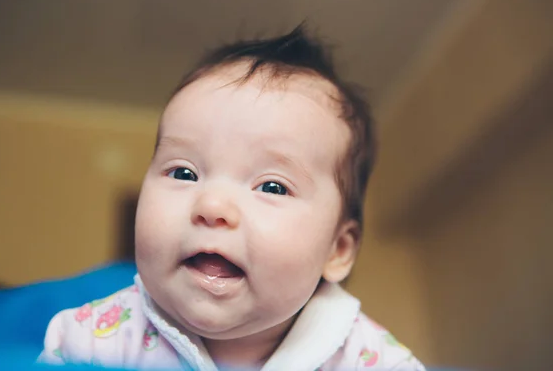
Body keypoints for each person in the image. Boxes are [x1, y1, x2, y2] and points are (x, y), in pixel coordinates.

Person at [39, 25, 425, 371]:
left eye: (272, 186)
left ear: (337, 250)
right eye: (184, 173)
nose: (211, 206)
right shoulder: (90, 342)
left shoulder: (371, 361)